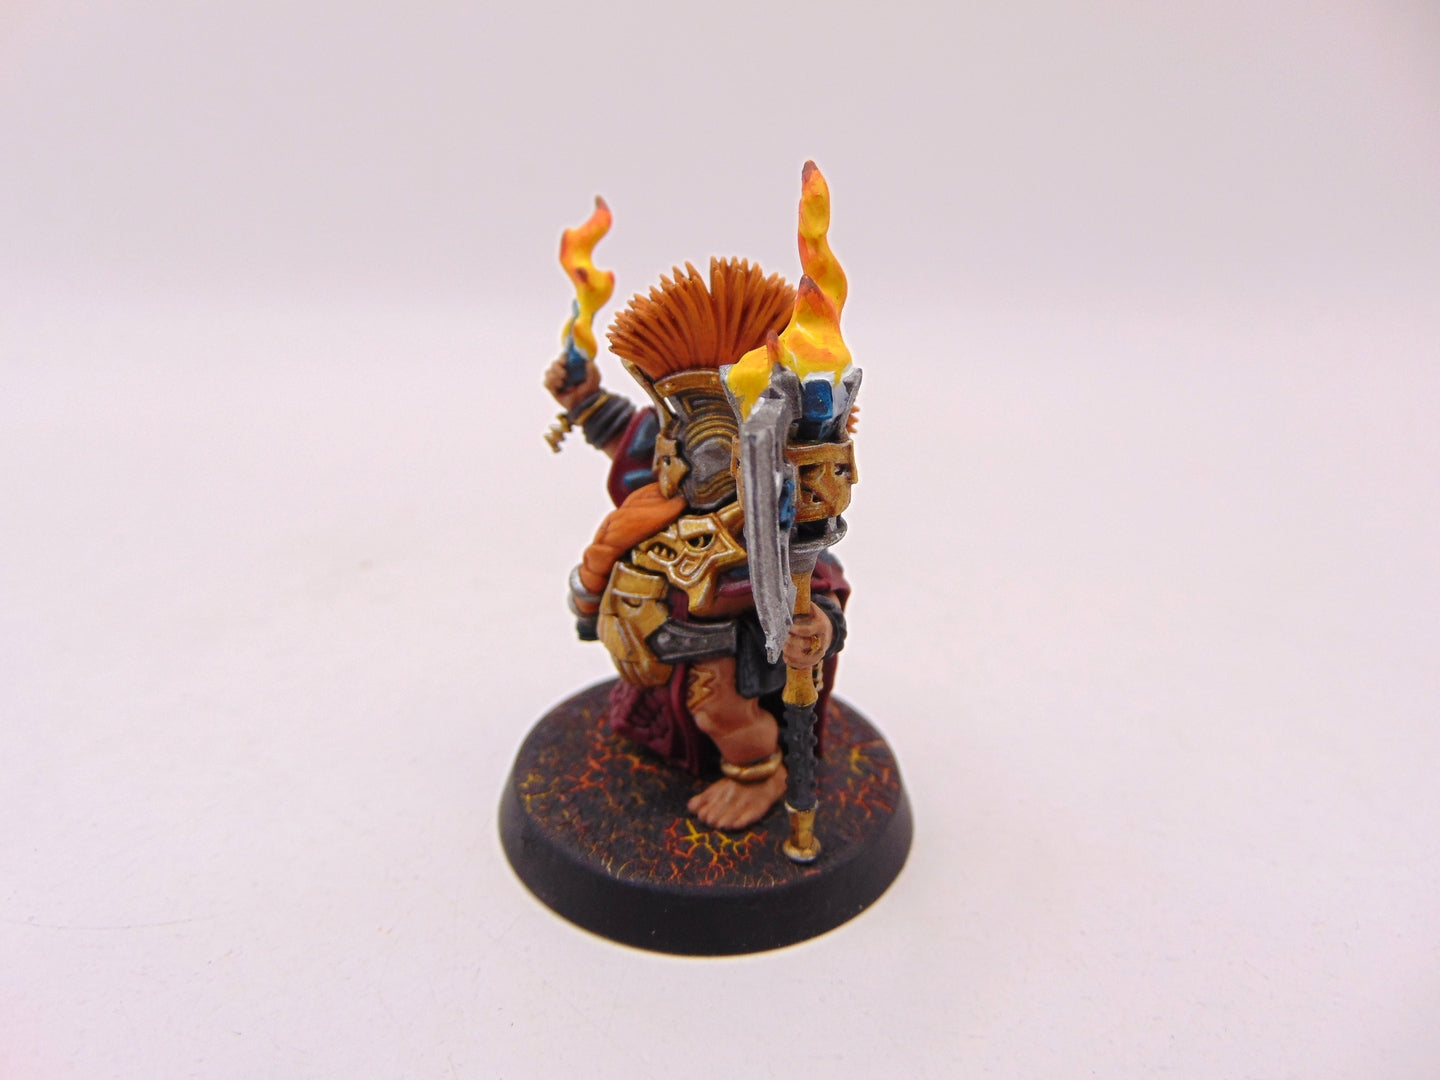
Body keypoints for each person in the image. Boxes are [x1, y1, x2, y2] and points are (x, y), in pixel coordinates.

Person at [544, 257, 849, 830]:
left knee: (719, 713)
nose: (679, 461)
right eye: (676, 439)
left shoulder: (769, 527)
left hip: (725, 652)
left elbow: (818, 584)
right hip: (653, 638)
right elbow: (628, 435)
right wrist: (583, 399)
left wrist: (819, 627)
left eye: (706, 450)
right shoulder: (659, 488)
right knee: (677, 705)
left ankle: (757, 774)